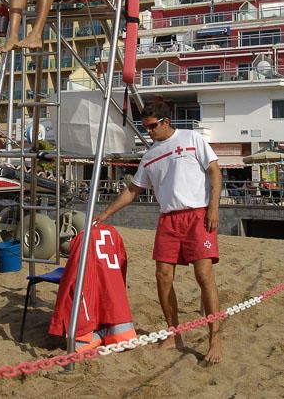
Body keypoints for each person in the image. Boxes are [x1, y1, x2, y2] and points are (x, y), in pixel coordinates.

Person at [94, 101, 223, 364]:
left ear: (165, 121)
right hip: (168, 219)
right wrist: (106, 214)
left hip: (198, 214)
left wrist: (213, 208)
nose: (149, 132)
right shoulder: (149, 156)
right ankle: (174, 332)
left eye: (152, 126)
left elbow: (215, 172)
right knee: (162, 276)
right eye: (145, 127)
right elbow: (133, 191)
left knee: (204, 275)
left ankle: (215, 338)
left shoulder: (191, 138)